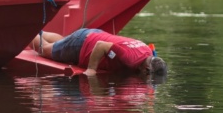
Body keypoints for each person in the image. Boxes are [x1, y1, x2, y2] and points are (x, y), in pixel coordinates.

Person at [31, 28, 167, 77]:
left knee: (61, 42)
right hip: (83, 44)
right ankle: (28, 32)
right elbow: (101, 46)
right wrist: (91, 69)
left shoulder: (147, 50)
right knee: (43, 50)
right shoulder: (130, 59)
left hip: (91, 34)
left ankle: (39, 31)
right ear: (147, 69)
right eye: (148, 75)